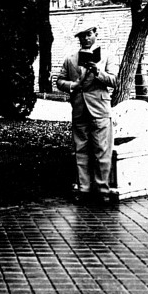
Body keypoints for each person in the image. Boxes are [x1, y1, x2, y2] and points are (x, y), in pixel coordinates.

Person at [56, 25, 118, 205]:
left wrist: (98, 72)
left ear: (96, 35)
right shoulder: (71, 58)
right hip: (79, 109)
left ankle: (102, 191)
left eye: (89, 35)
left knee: (101, 150)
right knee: (80, 150)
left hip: (99, 108)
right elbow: (59, 81)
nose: (85, 39)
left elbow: (114, 80)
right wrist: (72, 85)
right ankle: (83, 189)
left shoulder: (106, 56)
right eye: (82, 36)